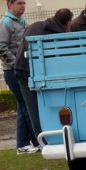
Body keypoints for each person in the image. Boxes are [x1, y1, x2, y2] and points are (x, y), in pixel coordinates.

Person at [14, 8, 74, 139]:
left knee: (33, 110)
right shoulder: (59, 36)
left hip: (22, 71)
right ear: (68, 23)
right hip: (38, 75)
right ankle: (52, 139)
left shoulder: (35, 26)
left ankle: (41, 141)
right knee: (49, 110)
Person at [0, 0, 37, 154]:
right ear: (10, 5)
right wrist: (16, 65)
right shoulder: (5, 24)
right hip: (13, 72)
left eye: (24, 3)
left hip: (22, 70)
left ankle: (25, 143)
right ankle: (29, 143)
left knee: (23, 105)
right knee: (26, 105)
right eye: (19, 3)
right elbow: (0, 48)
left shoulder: (22, 22)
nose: (23, 6)